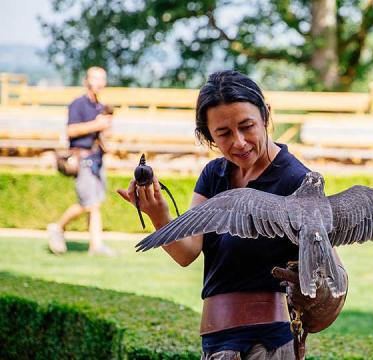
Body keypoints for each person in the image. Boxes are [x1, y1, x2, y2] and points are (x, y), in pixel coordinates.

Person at [117, 70, 347, 359]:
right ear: (208, 136)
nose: (238, 142)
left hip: (269, 345)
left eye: (247, 126)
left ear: (266, 116)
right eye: (223, 133)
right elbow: (187, 253)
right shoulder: (215, 174)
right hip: (216, 344)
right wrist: (158, 215)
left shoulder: (297, 181)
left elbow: (332, 275)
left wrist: (313, 284)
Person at [47, 66, 115, 256]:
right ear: (87, 81)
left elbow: (102, 133)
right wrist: (96, 124)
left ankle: (96, 246)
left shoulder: (100, 107)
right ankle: (58, 227)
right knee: (88, 204)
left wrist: (106, 134)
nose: (99, 83)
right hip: (82, 158)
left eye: (102, 79)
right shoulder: (77, 104)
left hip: (97, 159)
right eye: (95, 78)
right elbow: (70, 131)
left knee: (94, 205)